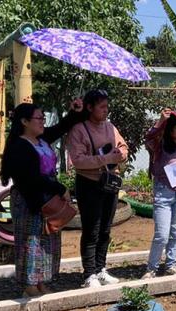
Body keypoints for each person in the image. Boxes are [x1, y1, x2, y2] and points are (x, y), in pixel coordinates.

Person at [1, 101, 81, 297]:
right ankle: (29, 284)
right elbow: (30, 178)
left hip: (48, 196)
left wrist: (74, 111)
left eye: (43, 119)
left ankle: (43, 280)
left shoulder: (41, 139)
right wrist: (60, 188)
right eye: (39, 118)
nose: (42, 122)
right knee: (31, 241)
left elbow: (61, 127)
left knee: (49, 239)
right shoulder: (19, 146)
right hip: (31, 200)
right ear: (24, 121)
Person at [67, 89, 128, 288]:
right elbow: (78, 161)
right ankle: (89, 274)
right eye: (101, 106)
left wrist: (122, 154)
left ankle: (101, 269)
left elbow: (124, 146)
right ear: (90, 107)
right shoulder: (79, 130)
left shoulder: (110, 127)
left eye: (106, 106)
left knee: (105, 229)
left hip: (110, 182)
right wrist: (107, 159)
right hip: (89, 184)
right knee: (91, 229)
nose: (105, 110)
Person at [141, 108, 176, 279]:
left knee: (175, 232)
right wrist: (160, 120)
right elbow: (148, 138)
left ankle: (171, 264)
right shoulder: (160, 145)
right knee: (162, 234)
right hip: (164, 192)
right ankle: (151, 268)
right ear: (170, 130)